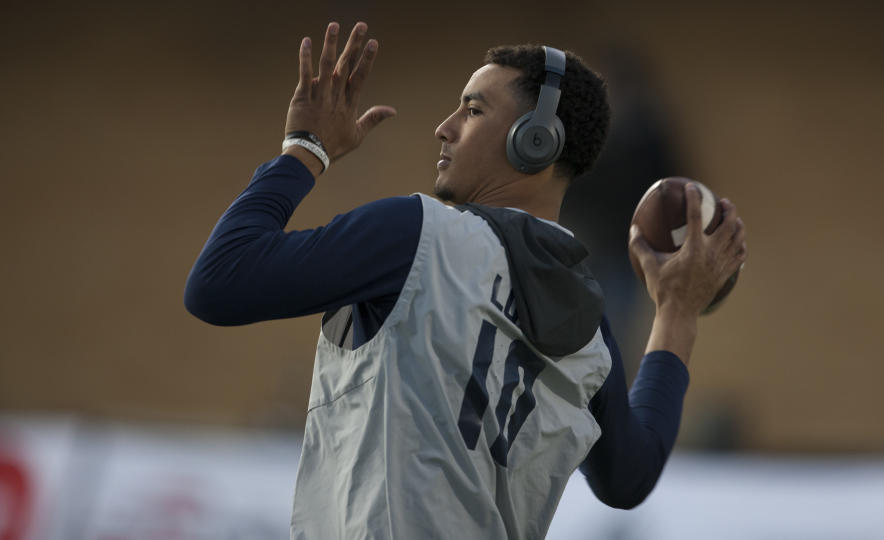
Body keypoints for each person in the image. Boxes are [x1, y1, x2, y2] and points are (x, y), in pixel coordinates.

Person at [184, 21, 747, 540]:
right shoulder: (590, 330)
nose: (444, 127)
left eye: (473, 111)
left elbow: (218, 283)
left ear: (536, 140)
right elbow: (629, 478)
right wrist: (677, 313)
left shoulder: (413, 233)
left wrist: (305, 149)